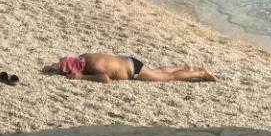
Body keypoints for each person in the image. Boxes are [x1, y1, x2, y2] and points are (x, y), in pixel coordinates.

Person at [42, 53, 218, 83]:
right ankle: (184, 67)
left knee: (166, 78)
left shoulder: (93, 66)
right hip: (128, 61)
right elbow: (66, 62)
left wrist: (81, 77)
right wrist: (54, 67)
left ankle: (200, 73)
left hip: (132, 70)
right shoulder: (85, 57)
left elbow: (105, 79)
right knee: (156, 71)